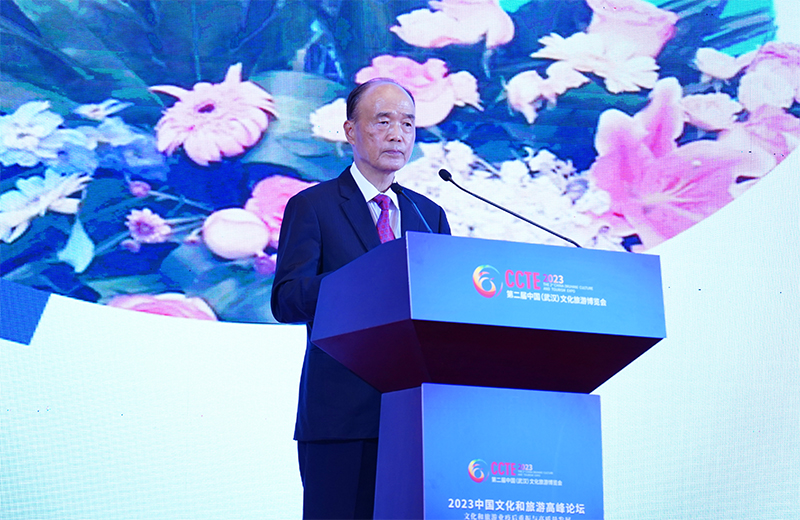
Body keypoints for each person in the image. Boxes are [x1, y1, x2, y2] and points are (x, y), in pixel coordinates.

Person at [270, 78, 451, 519]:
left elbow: (445, 310)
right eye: (383, 121)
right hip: (341, 420)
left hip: (415, 419)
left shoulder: (429, 215)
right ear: (351, 131)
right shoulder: (313, 206)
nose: (397, 135)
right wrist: (363, 280)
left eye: (407, 124)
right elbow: (287, 298)